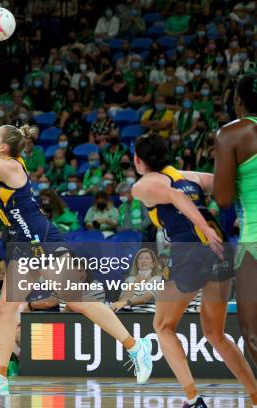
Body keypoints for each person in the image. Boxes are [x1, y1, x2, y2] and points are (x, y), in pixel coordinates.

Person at [0, 93, 152, 396]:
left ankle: (135, 346)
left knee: (76, 301)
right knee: (7, 307)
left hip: (42, 240)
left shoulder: (11, 167)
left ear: (4, 146)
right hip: (24, 244)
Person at [131, 133, 257, 407]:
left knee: (162, 326)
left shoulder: (142, 185)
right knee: (215, 333)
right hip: (222, 251)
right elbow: (231, 183)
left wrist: (202, 227)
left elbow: (175, 197)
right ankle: (256, 396)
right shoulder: (190, 176)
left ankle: (193, 399)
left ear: (138, 160)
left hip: (191, 254)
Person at [213, 73, 257, 373]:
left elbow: (223, 198)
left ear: (237, 101)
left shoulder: (231, 134)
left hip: (253, 241)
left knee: (252, 332)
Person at [110, 248, 164, 313]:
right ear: (137, 264)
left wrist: (127, 302)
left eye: (147, 258)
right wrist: (135, 283)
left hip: (149, 315)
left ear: (152, 264)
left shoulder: (158, 279)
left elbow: (146, 298)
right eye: (140, 258)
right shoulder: (130, 280)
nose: (143, 261)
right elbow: (121, 301)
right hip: (129, 314)